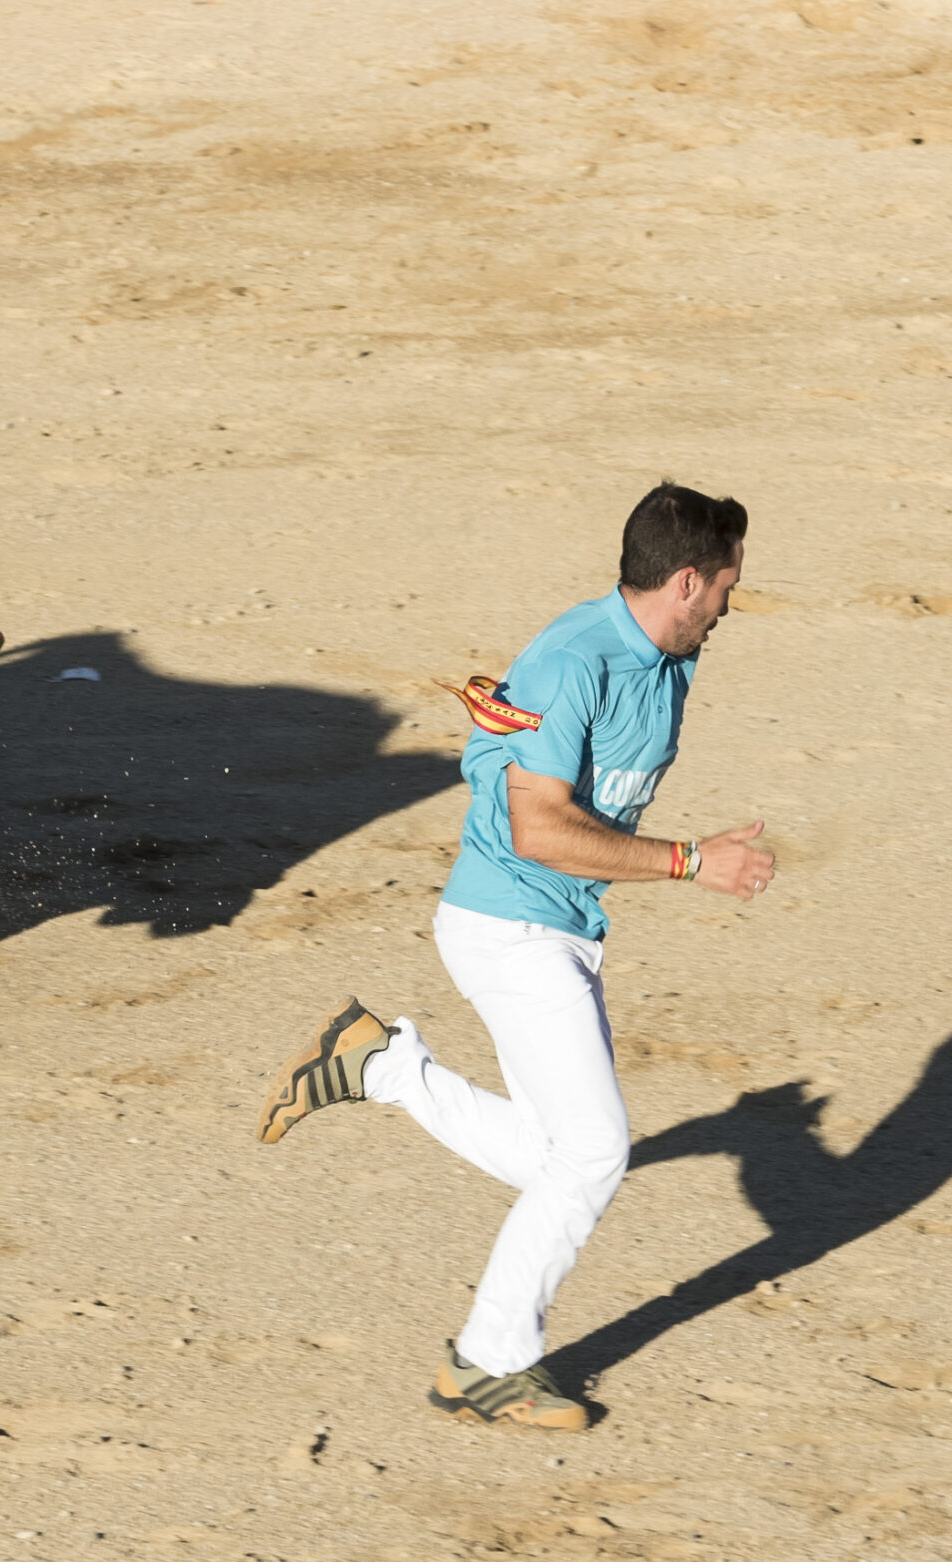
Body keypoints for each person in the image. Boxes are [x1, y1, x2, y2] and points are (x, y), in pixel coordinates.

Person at [252, 482, 776, 1432]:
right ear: (689, 582)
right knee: (595, 1149)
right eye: (729, 587)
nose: (735, 606)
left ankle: (380, 1065)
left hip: (562, 927)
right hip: (509, 925)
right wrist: (692, 861)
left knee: (554, 1155)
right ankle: (490, 1363)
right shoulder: (572, 662)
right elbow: (539, 831)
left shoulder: (669, 660)